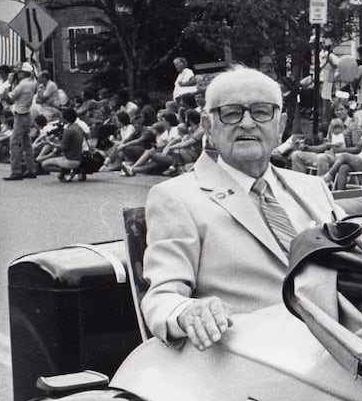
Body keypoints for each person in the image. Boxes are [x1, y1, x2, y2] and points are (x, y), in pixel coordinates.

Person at [141, 66, 343, 350]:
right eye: (231, 113)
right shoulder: (175, 198)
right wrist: (187, 312)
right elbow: (161, 297)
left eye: (261, 111)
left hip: (344, 350)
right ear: (208, 127)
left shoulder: (313, 188)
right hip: (259, 362)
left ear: (280, 125)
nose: (247, 123)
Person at [3, 62, 38, 180]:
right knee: (26, 142)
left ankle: (16, 171)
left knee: (14, 143)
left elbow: (9, 99)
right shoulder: (32, 83)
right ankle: (31, 168)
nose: (17, 74)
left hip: (20, 114)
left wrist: (10, 84)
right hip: (27, 113)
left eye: (19, 72)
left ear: (24, 73)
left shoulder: (21, 85)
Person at [41, 107, 88, 181]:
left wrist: (50, 144)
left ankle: (67, 170)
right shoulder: (79, 128)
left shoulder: (68, 130)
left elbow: (63, 147)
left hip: (70, 159)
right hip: (79, 156)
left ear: (65, 118)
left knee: (44, 164)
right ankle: (72, 170)